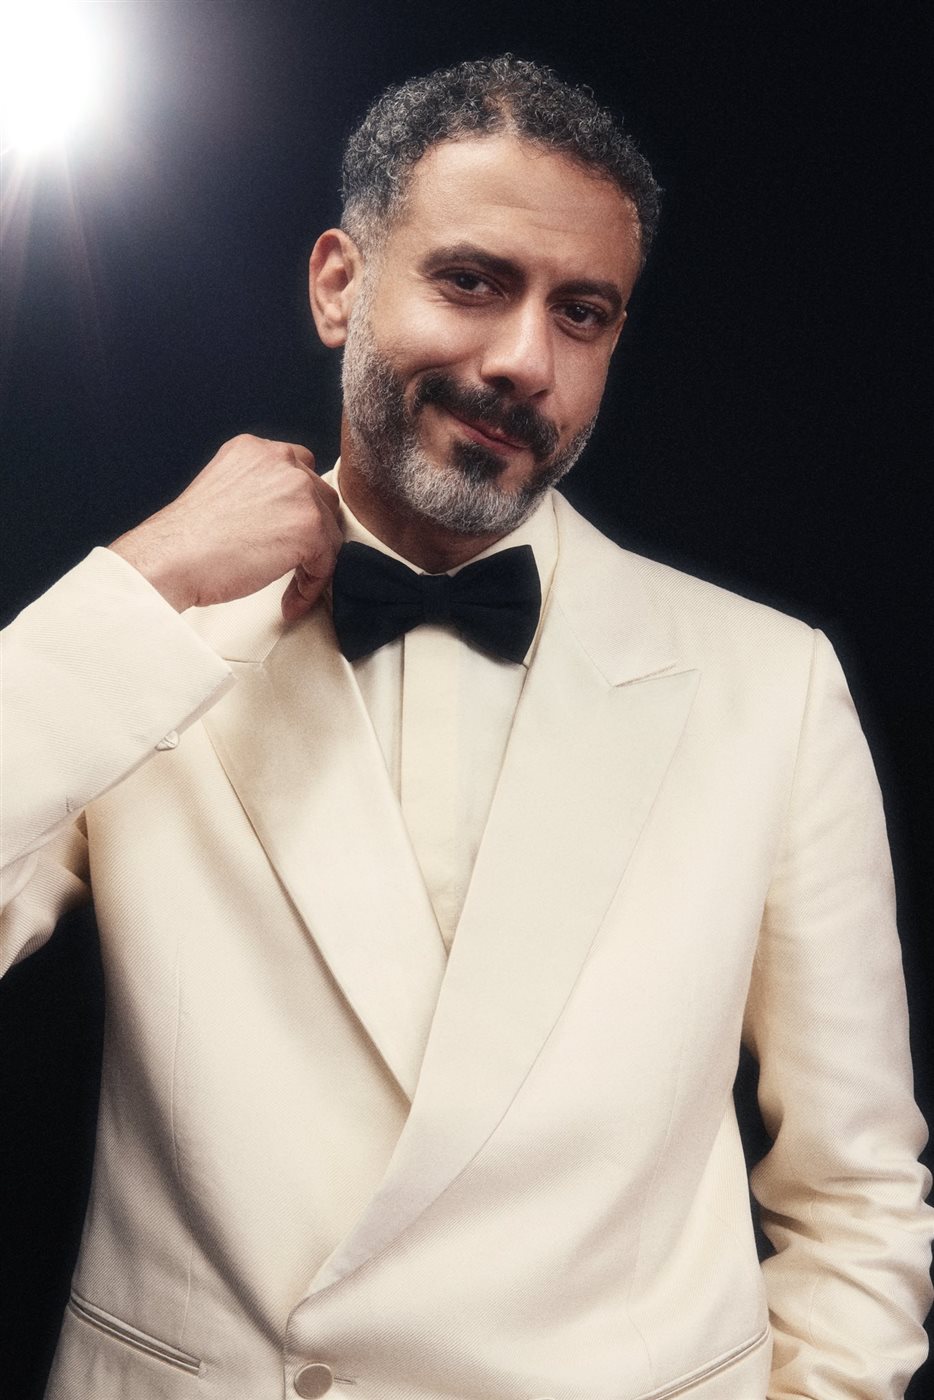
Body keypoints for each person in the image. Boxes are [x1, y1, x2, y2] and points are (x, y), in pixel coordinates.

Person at [1, 54, 931, 1400]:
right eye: (473, 282)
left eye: (581, 314)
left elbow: (857, 1194)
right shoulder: (151, 641)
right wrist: (139, 585)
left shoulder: (770, 687)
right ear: (339, 285)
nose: (522, 362)